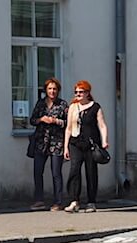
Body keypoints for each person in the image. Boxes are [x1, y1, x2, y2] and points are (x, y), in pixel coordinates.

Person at [62, 80, 109, 213]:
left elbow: (102, 125)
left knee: (91, 172)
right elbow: (68, 129)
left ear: (87, 93)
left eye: (81, 92)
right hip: (75, 143)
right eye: (76, 92)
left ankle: (91, 202)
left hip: (91, 144)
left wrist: (104, 141)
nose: (78, 94)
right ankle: (74, 201)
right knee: (74, 170)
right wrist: (65, 147)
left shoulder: (95, 107)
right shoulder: (73, 107)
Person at [28, 77, 68, 210]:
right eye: (50, 89)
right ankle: (39, 200)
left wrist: (56, 121)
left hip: (57, 142)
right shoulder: (40, 103)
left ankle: (58, 201)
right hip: (41, 141)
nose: (52, 91)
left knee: (56, 172)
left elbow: (69, 123)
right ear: (46, 90)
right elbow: (32, 120)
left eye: (55, 89)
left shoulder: (62, 105)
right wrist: (41, 119)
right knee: (37, 171)